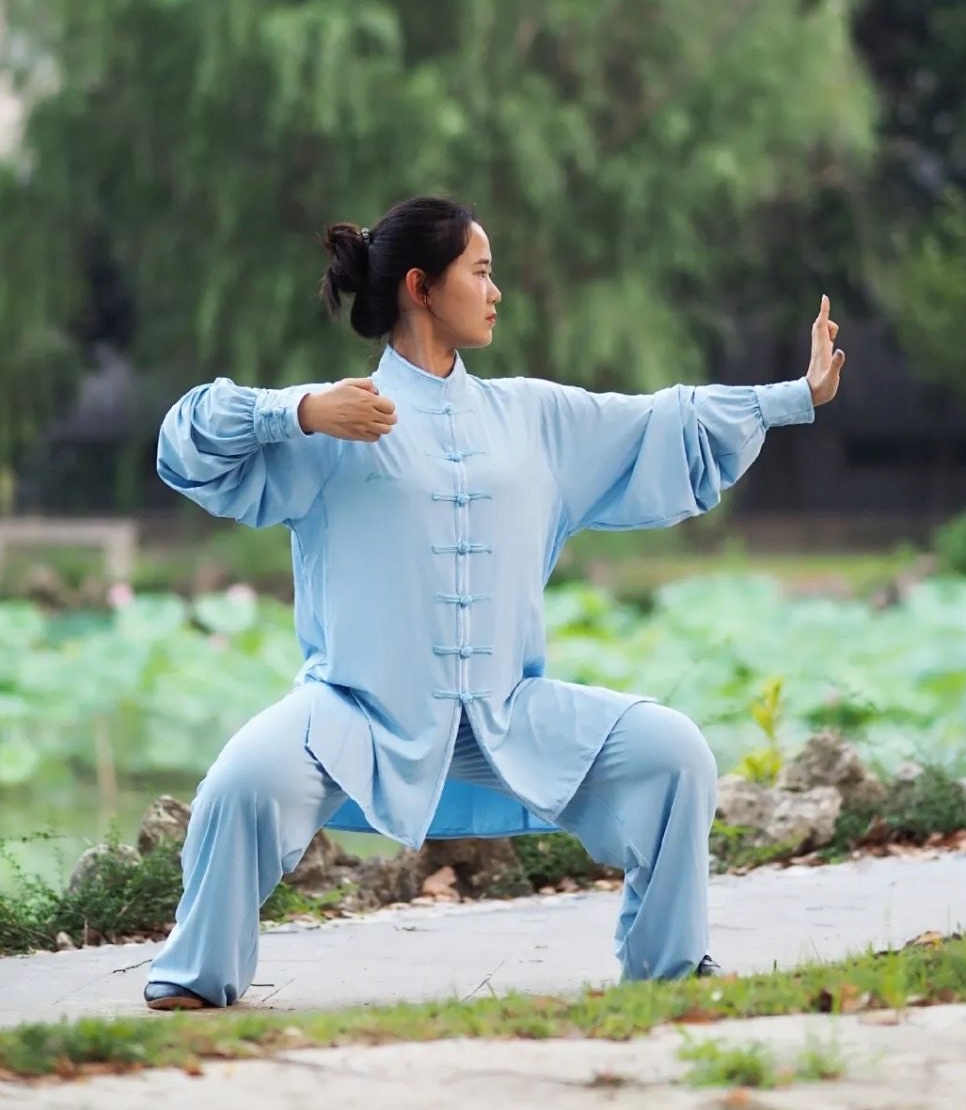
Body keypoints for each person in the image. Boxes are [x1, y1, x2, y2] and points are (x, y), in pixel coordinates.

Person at [144, 196, 845, 1010]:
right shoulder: (332, 420)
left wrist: (795, 394)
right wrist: (296, 409)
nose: (496, 289)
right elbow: (181, 440)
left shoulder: (532, 416)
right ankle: (197, 975)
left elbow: (666, 418)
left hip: (510, 715)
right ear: (420, 286)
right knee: (238, 783)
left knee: (673, 752)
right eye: (479, 270)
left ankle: (667, 965)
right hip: (356, 716)